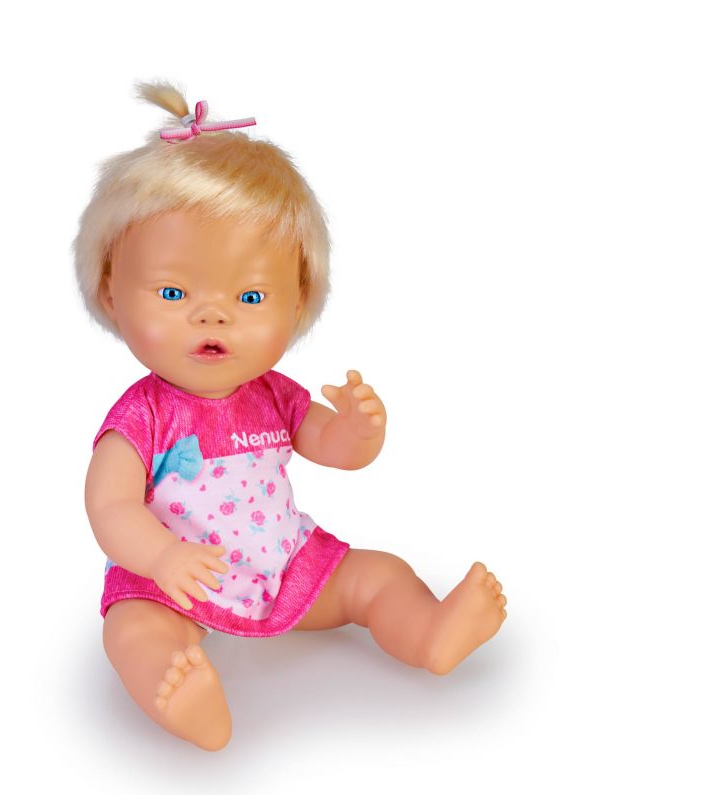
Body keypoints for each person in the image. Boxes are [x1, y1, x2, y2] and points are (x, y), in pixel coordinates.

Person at [78, 81, 507, 751]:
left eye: (250, 297)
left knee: (377, 575)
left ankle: (429, 631)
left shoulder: (273, 394)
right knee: (132, 628)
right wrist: (161, 557)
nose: (213, 315)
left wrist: (357, 433)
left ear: (298, 300)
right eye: (174, 292)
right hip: (170, 579)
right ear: (111, 290)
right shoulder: (143, 414)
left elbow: (328, 445)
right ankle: (178, 687)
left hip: (285, 561)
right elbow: (108, 505)